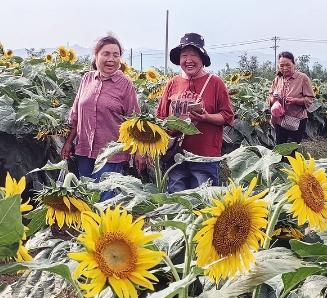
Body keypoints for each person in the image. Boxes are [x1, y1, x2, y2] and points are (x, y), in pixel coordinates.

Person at [60, 35, 145, 200]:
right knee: (86, 198)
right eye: (106, 54)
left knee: (104, 202)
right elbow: (76, 115)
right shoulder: (87, 79)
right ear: (96, 55)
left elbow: (135, 121)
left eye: (116, 55)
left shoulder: (125, 85)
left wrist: (139, 152)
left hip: (111, 156)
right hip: (84, 151)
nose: (111, 59)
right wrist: (69, 142)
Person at [157, 33, 234, 193]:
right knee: (177, 201)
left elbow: (227, 116)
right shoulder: (173, 83)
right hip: (177, 155)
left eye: (193, 55)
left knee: (204, 202)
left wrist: (206, 117)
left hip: (204, 156)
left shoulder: (215, 83)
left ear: (202, 58)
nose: (188, 60)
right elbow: (161, 117)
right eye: (184, 55)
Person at [268, 51, 315, 145]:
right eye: (281, 66)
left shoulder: (302, 78)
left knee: (292, 149)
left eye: (288, 65)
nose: (284, 68)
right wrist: (274, 99)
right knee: (280, 148)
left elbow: (310, 99)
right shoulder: (278, 79)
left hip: (296, 120)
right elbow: (269, 97)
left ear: (294, 64)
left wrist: (296, 101)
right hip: (279, 120)